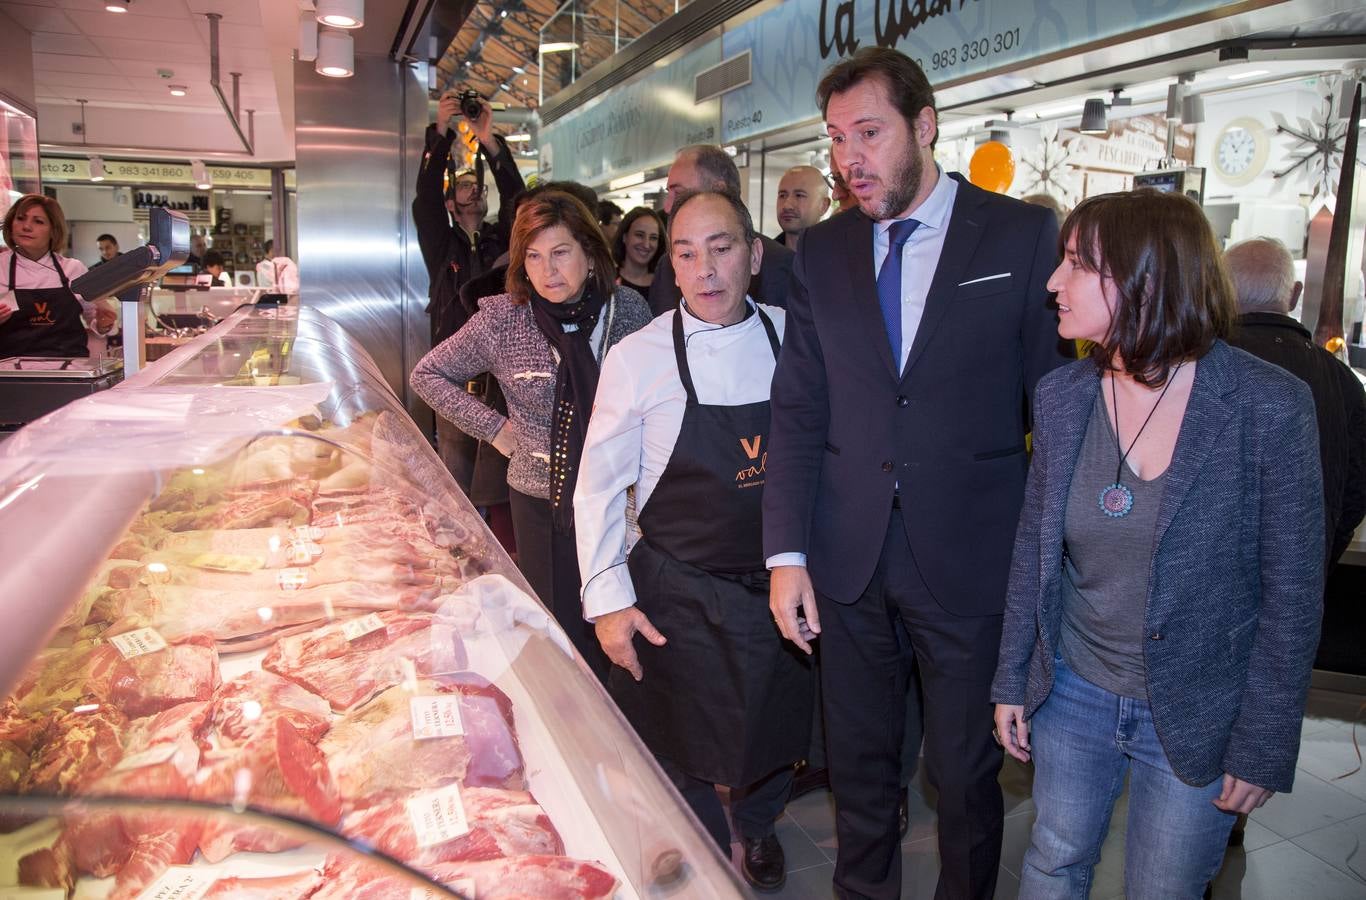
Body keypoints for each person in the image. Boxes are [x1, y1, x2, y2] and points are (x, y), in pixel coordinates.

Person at [764, 47, 1072, 900]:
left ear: (925, 126)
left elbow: (1056, 408)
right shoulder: (819, 253)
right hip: (846, 557)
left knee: (967, 778)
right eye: (835, 139)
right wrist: (785, 554)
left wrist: (1057, 559)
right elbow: (798, 411)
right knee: (859, 776)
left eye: (868, 132)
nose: (848, 159)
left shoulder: (1018, 235)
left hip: (971, 558)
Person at [991, 191, 1324, 899]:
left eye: (1078, 264)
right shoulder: (1060, 397)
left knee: (1164, 886)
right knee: (1053, 860)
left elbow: (1293, 595)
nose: (1053, 282)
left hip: (1201, 707)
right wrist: (1012, 677)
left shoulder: (1269, 406)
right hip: (1074, 691)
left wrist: (1263, 744)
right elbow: (1034, 553)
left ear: (1147, 279)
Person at [575, 189, 812, 891]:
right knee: (674, 739)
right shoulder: (637, 358)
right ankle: (690, 852)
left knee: (770, 734)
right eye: (685, 253)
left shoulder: (793, 336)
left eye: (722, 248)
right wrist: (608, 602)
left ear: (755, 255)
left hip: (776, 580)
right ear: (670, 266)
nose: (704, 269)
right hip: (680, 586)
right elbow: (597, 489)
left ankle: (760, 827)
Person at [411, 191, 651, 682]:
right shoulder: (504, 317)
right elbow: (428, 375)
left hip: (619, 497)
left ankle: (624, 733)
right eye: (534, 257)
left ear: (589, 251)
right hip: (541, 500)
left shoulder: (627, 310)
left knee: (621, 619)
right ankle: (570, 726)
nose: (548, 271)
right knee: (557, 625)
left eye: (560, 253)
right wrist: (497, 429)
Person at [1225, 237, 1366, 573]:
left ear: (1217, 291)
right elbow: (1356, 490)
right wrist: (1322, 553)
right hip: (1304, 578)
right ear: (1295, 292)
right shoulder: (1342, 379)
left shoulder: (1195, 366)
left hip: (1206, 591)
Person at [413, 91, 526, 495]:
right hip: (457, 378)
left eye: (476, 183)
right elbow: (424, 200)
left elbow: (520, 198)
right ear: (450, 202)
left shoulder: (502, 239)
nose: (473, 189)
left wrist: (488, 139)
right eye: (463, 185)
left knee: (501, 480)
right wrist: (441, 133)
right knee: (457, 477)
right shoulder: (444, 246)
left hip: (503, 376)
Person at [646, 145, 794, 316]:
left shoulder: (783, 267)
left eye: (721, 249)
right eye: (686, 255)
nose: (667, 207)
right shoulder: (666, 267)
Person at [0, 194, 116, 358]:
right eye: (20, 218)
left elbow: (93, 318)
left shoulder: (73, 269)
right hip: (10, 374)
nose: (26, 226)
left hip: (69, 371)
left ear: (54, 231)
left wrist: (103, 324)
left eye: (38, 221)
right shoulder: (1, 267)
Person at [774, 165, 831, 249]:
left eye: (799, 195)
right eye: (782, 195)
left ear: (823, 205)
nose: (787, 206)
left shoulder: (839, 257)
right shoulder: (761, 256)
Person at [611, 207, 664, 296]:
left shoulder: (666, 284)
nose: (646, 245)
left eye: (653, 238)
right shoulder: (607, 281)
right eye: (639, 235)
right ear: (624, 237)